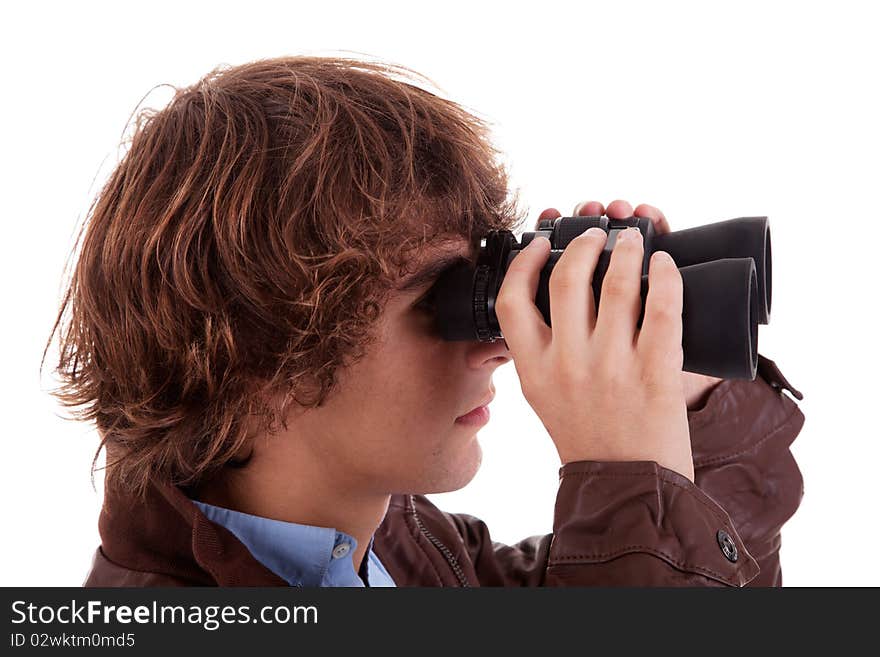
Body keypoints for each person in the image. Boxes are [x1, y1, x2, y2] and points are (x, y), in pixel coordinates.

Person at [44, 56, 805, 587]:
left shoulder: (406, 551)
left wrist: (681, 397)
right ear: (259, 357)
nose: (497, 346)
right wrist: (630, 479)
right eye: (438, 298)